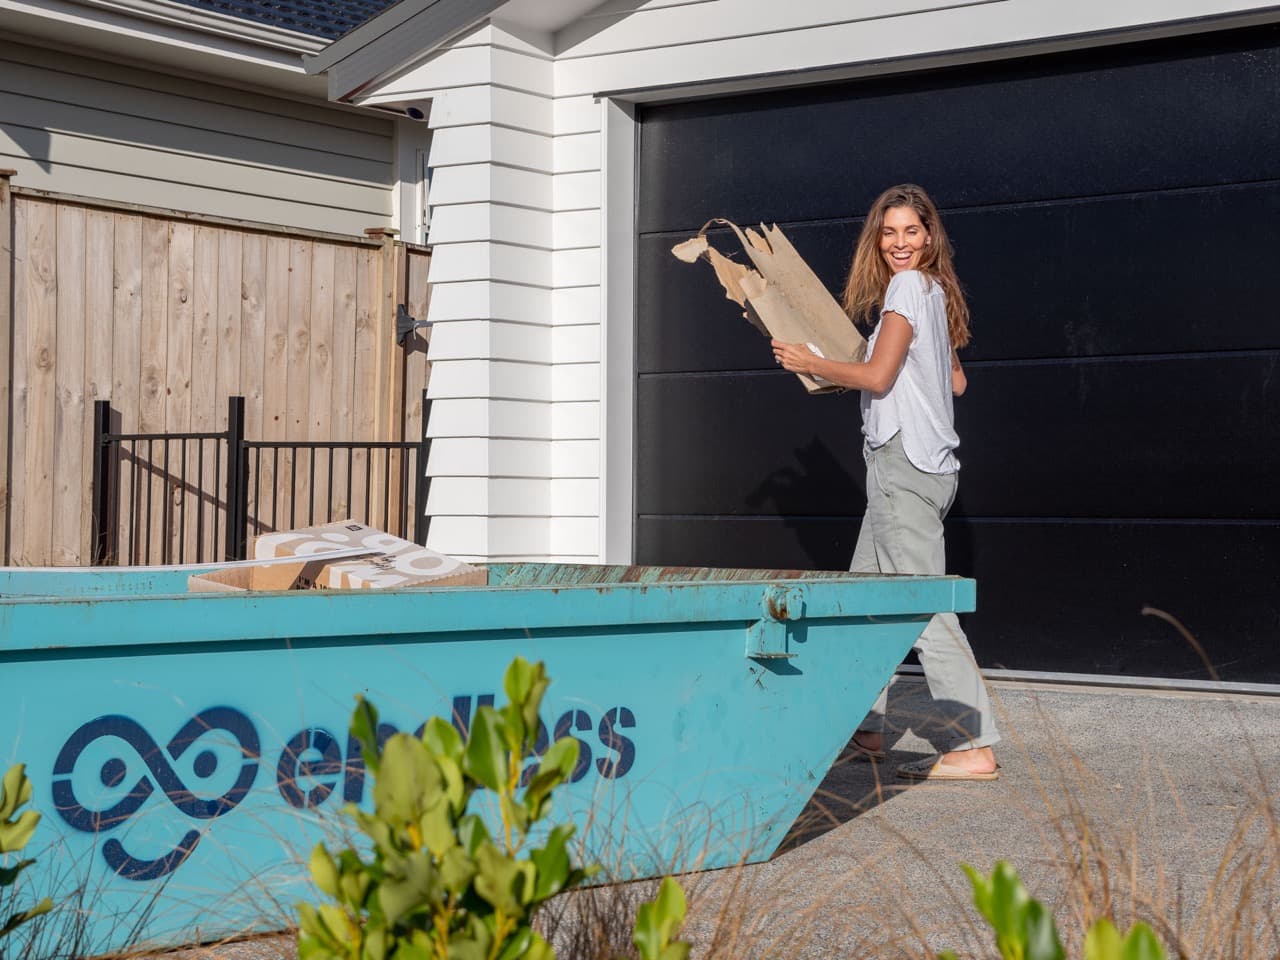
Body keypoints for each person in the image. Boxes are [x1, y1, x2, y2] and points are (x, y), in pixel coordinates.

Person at [771, 183, 1000, 781]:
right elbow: (956, 384)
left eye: (911, 232)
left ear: (929, 237)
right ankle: (864, 728)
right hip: (919, 467)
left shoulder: (907, 288)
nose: (900, 243)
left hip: (904, 467)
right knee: (865, 603)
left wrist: (810, 362)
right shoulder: (935, 292)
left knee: (923, 606)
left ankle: (972, 745)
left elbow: (877, 375)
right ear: (879, 238)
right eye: (890, 232)